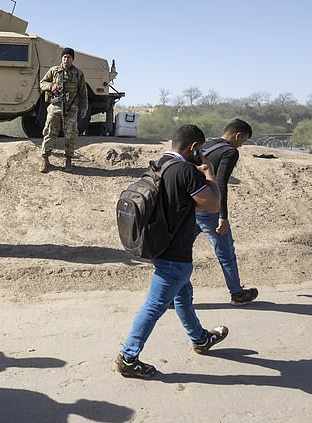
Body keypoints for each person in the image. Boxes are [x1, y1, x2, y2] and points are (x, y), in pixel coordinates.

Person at [115, 125, 228, 379]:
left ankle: (200, 339)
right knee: (155, 306)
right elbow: (213, 204)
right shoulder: (187, 171)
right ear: (194, 147)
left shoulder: (159, 165)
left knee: (183, 296)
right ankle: (128, 357)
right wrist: (209, 172)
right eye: (201, 149)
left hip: (159, 245)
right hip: (175, 254)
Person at [196, 119, 258, 305]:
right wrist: (223, 216)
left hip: (190, 206)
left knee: (180, 252)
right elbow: (220, 183)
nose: (242, 144)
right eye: (244, 140)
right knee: (225, 251)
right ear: (238, 135)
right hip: (209, 209)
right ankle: (237, 293)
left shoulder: (207, 145)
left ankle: (170, 296)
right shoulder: (230, 151)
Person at [39, 47, 88, 173]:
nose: (66, 59)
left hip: (71, 108)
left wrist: (84, 107)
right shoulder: (54, 71)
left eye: (69, 57)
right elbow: (42, 83)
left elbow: (83, 92)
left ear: (72, 59)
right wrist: (51, 86)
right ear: (61, 58)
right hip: (55, 107)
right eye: (64, 57)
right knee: (50, 132)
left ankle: (68, 159)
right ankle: (45, 158)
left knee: (70, 135)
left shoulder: (78, 74)